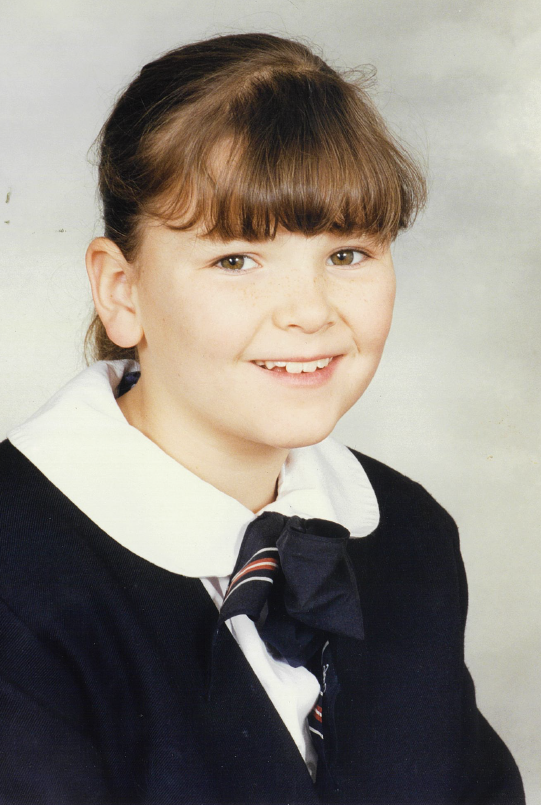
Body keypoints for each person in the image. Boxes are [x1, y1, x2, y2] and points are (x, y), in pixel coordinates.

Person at [0, 32, 524, 805]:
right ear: (121, 290)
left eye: (346, 253)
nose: (309, 313)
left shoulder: (407, 535)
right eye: (236, 259)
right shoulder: (17, 574)